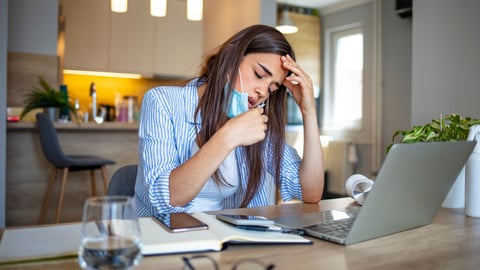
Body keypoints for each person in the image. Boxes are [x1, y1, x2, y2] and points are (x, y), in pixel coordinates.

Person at [135, 24, 324, 216]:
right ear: (231, 56)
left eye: (272, 88)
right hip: (167, 238)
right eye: (259, 75)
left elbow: (310, 192)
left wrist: (309, 112)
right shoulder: (162, 102)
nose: (262, 92)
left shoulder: (257, 122)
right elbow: (165, 199)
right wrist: (228, 136)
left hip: (230, 241)